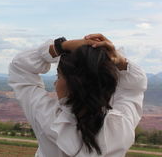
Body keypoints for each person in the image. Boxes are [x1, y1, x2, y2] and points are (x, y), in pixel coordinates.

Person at [8, 34, 147, 157]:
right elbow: (134, 87)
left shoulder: (46, 116)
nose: (56, 82)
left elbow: (20, 66)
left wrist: (60, 46)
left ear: (73, 84)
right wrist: (119, 60)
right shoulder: (121, 125)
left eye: (59, 76)